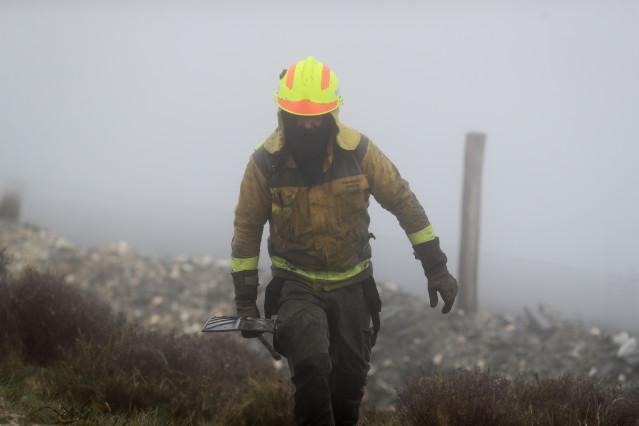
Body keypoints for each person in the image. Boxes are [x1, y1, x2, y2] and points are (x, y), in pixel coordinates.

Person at [231, 56, 458, 425]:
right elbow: (246, 231)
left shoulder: (360, 152)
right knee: (313, 369)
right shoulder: (264, 164)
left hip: (354, 287)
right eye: (298, 115)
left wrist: (437, 269)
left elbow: (404, 203)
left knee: (348, 386)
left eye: (317, 115)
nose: (308, 124)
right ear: (282, 113)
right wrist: (245, 305)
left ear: (333, 112)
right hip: (296, 288)